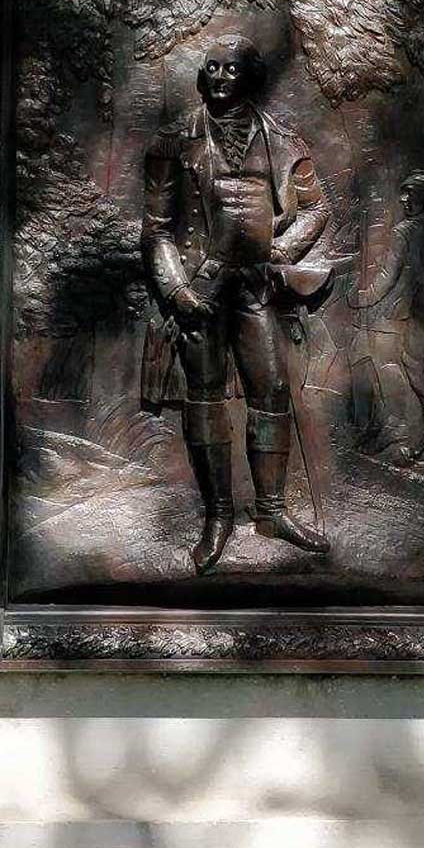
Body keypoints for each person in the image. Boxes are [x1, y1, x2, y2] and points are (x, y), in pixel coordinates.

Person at [140, 34, 332, 575]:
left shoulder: (284, 141)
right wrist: (177, 291)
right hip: (200, 286)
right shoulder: (174, 143)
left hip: (254, 287)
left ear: (250, 76)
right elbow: (156, 230)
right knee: (204, 397)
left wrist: (281, 251)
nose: (219, 77)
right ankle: (217, 516)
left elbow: (316, 209)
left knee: (271, 390)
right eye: (211, 68)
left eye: (230, 69)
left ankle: (271, 511)